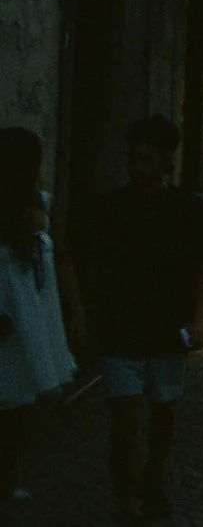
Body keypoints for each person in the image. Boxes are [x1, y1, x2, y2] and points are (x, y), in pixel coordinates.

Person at [78, 115, 203, 523]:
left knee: (163, 414)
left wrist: (200, 319)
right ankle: (128, 496)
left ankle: (152, 481)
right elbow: (83, 259)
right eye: (133, 157)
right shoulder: (110, 207)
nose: (136, 166)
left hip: (166, 328)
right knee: (123, 418)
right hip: (119, 328)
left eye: (146, 158)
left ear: (165, 161)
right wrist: (84, 314)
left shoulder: (187, 209)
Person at [0, 127, 80, 505]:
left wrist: (72, 306)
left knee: (22, 398)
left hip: (32, 307)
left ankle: (8, 473)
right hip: (10, 309)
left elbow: (59, 256)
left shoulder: (42, 203)